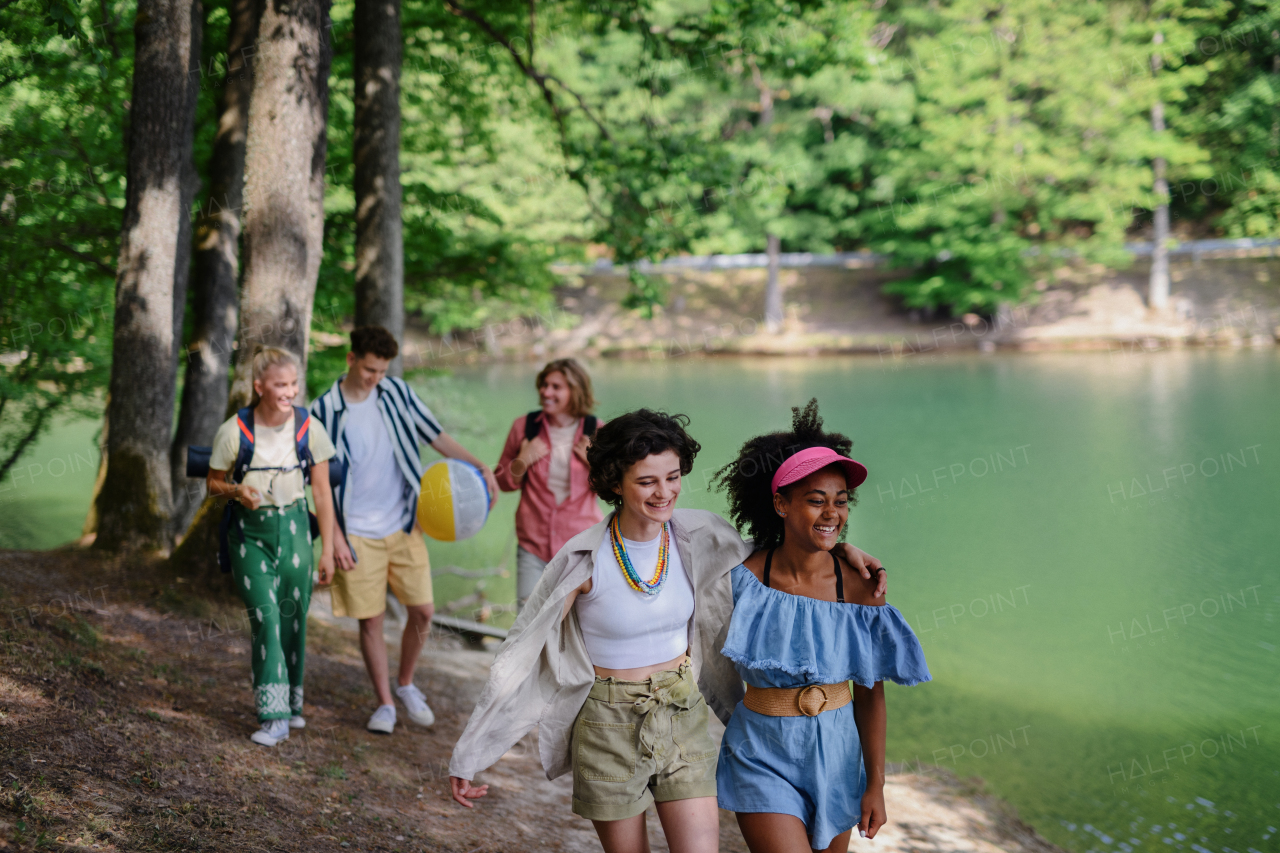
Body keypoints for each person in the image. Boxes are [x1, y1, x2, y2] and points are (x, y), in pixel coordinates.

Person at [448, 409, 888, 853]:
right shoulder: (582, 559)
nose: (664, 493)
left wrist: (842, 549)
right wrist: (472, 753)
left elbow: (777, 557)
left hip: (682, 711)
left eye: (673, 477)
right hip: (607, 721)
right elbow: (521, 653)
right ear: (614, 483)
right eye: (647, 482)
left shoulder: (700, 535)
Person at [712, 400, 930, 853]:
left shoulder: (861, 587)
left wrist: (877, 784)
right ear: (780, 503)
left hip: (837, 755)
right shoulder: (742, 578)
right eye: (816, 501)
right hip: (760, 752)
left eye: (841, 501)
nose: (832, 513)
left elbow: (870, 695)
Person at [309, 326, 499, 735]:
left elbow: (436, 437)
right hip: (355, 533)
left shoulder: (396, 393)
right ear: (351, 359)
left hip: (404, 523)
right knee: (371, 620)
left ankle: (406, 683)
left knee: (424, 610)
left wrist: (479, 466)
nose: (375, 378)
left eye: (381, 370)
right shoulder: (323, 410)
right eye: (369, 369)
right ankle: (385, 704)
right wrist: (335, 538)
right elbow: (318, 484)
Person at [205, 347, 340, 747]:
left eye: (294, 383)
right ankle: (274, 715)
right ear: (259, 386)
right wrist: (235, 490)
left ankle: (293, 705)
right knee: (266, 616)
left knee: (294, 619)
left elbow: (322, 492)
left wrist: (329, 550)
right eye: (281, 384)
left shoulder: (309, 428)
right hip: (250, 536)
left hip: (298, 530)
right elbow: (213, 483)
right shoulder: (234, 431)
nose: (290, 391)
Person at [493, 359, 603, 609]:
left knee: (578, 625)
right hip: (533, 544)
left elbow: (614, 489)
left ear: (575, 390)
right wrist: (522, 461)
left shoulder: (597, 431)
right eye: (544, 385)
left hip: (581, 545)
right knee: (527, 622)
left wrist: (592, 463)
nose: (546, 392)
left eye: (556, 387)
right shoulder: (525, 427)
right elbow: (502, 482)